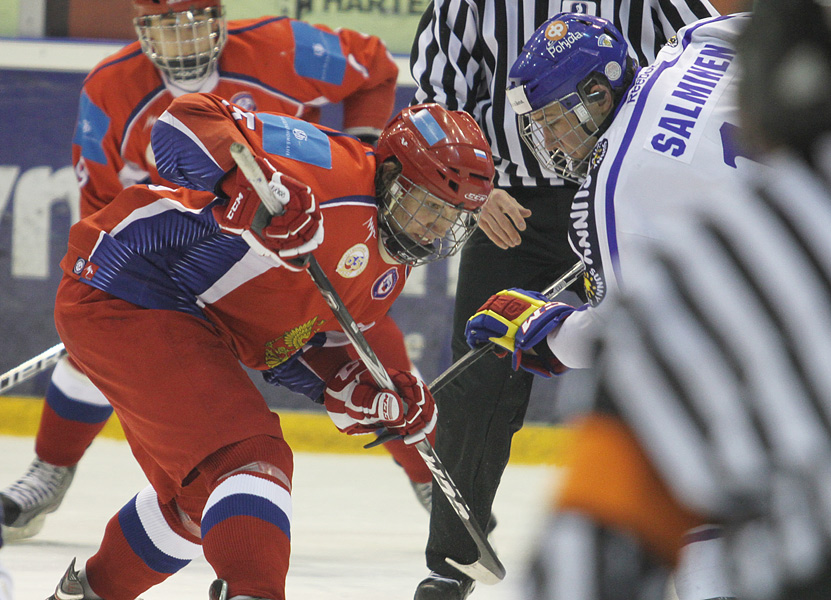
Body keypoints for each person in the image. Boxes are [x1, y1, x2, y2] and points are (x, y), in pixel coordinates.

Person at [0, 0, 434, 543]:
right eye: (165, 29)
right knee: (105, 349)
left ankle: (430, 481)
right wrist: (102, 278)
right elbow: (101, 201)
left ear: (220, 19)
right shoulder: (110, 90)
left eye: (195, 25)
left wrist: (365, 155)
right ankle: (51, 469)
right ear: (141, 30)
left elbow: (374, 68)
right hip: (190, 264)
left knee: (375, 359)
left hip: (315, 246)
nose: (184, 44)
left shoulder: (283, 47)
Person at [44, 95, 494, 600]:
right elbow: (180, 123)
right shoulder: (328, 167)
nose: (435, 228)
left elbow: (288, 349)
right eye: (429, 204)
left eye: (451, 217)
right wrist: (246, 184)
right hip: (129, 279)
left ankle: (84, 593)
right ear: (391, 174)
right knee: (250, 460)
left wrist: (357, 390)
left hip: (188, 322)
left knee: (198, 505)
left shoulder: (388, 273)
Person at [523, 0, 831, 598]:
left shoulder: (642, 216)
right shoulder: (689, 42)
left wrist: (549, 330)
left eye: (553, 120)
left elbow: (643, 356)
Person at [408, 0, 727, 596]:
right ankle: (450, 565)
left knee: (635, 372)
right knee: (478, 387)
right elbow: (434, 101)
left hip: (626, 182)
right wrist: (478, 192)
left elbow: (690, 46)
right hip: (508, 205)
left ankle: (665, 533)